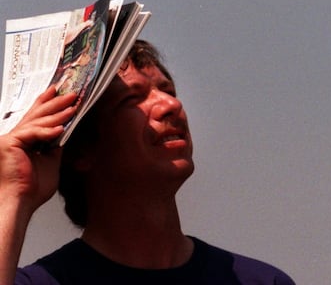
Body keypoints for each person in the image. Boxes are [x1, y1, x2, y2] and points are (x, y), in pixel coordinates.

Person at [0, 39, 296, 285]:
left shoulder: (259, 281)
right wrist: (14, 193)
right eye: (133, 99)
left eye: (167, 91)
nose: (172, 105)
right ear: (82, 151)